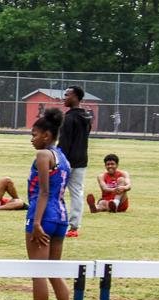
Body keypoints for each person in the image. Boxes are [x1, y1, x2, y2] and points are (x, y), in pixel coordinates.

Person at [9, 108, 72, 300]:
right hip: (61, 216)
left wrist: (36, 222)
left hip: (42, 216)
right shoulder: (61, 155)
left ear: (46, 135)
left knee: (39, 274)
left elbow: (44, 191)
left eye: (34, 134)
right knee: (54, 271)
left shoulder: (43, 155)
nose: (31, 138)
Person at [57, 85, 91, 238]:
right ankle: (74, 227)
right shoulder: (86, 117)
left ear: (76, 97)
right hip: (81, 160)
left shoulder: (69, 118)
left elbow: (64, 142)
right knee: (77, 193)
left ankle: (57, 222)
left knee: (57, 192)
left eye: (67, 95)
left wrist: (57, 158)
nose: (64, 97)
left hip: (67, 161)